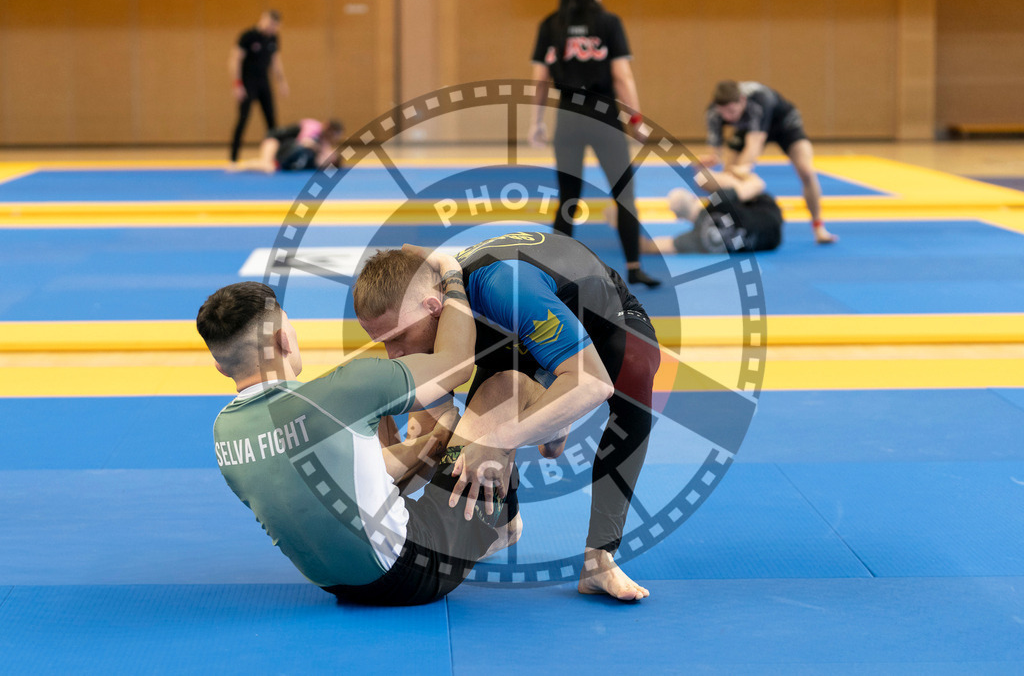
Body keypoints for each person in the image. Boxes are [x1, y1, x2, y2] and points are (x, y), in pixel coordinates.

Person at [196, 252, 532, 606]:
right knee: (506, 386)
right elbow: (458, 364)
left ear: (220, 366)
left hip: (334, 584)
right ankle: (503, 525)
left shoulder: (222, 432)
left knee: (380, 417)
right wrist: (450, 274)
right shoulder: (341, 391)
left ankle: (456, 482)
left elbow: (342, 478)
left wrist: (427, 446)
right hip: (418, 570)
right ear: (284, 339)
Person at [354, 232, 660, 602]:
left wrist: (497, 440)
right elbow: (433, 442)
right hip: (511, 332)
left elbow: (594, 384)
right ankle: (504, 522)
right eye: (383, 341)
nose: (393, 354)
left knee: (634, 370)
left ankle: (600, 559)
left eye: (398, 337)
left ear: (434, 307)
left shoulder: (504, 289)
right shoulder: (435, 314)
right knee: (467, 432)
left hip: (601, 318)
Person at [529, 0, 661, 288]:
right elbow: (622, 76)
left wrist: (536, 122)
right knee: (624, 195)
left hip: (568, 119)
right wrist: (636, 120)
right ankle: (634, 267)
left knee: (568, 197)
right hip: (604, 118)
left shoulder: (551, 24)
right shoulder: (609, 23)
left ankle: (553, 270)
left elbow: (540, 80)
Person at [701, 80, 837, 244]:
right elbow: (714, 151)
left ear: (742, 101)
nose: (728, 117)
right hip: (748, 128)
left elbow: (754, 144)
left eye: (732, 111)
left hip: (784, 125)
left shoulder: (758, 101)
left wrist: (742, 170)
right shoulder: (714, 112)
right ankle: (731, 225)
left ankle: (818, 226)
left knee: (806, 171)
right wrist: (712, 163)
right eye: (724, 114)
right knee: (728, 176)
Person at [632, 170, 785, 254]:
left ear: (678, 217)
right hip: (770, 216)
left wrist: (623, 226)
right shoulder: (717, 200)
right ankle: (722, 171)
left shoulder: (695, 238)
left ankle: (712, 174)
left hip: (769, 242)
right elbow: (758, 184)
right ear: (693, 197)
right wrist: (741, 173)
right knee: (712, 180)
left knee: (712, 182)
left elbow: (654, 246)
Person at [229, 10, 289, 163]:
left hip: (264, 82)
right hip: (248, 82)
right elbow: (235, 59)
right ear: (263, 20)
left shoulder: (273, 38)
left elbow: (276, 61)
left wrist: (281, 82)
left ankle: (276, 157)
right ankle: (234, 158)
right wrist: (237, 84)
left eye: (275, 26)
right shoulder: (248, 36)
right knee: (243, 119)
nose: (272, 29)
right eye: (270, 24)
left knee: (272, 122)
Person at [228, 119, 344, 173]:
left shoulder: (322, 143)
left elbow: (325, 155)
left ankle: (241, 166)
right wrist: (320, 150)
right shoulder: (313, 128)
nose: (333, 141)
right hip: (273, 140)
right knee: (268, 166)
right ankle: (239, 166)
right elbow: (302, 142)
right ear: (327, 127)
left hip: (283, 146)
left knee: (270, 167)